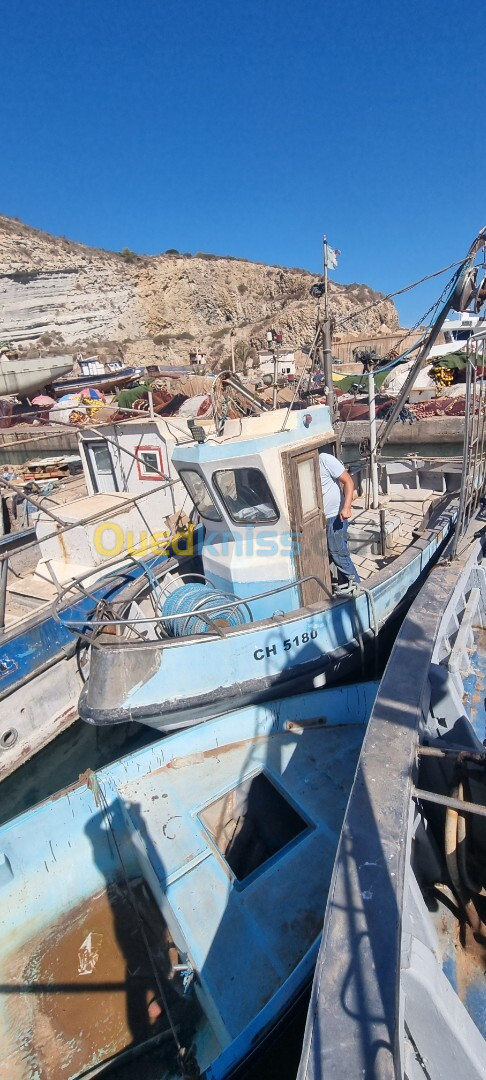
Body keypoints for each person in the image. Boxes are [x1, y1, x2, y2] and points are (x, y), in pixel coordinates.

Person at [319, 450, 360, 588]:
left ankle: (356, 588)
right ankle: (345, 585)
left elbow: (348, 481)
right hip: (321, 519)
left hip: (335, 516)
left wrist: (347, 507)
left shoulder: (325, 460)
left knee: (338, 554)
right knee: (334, 553)